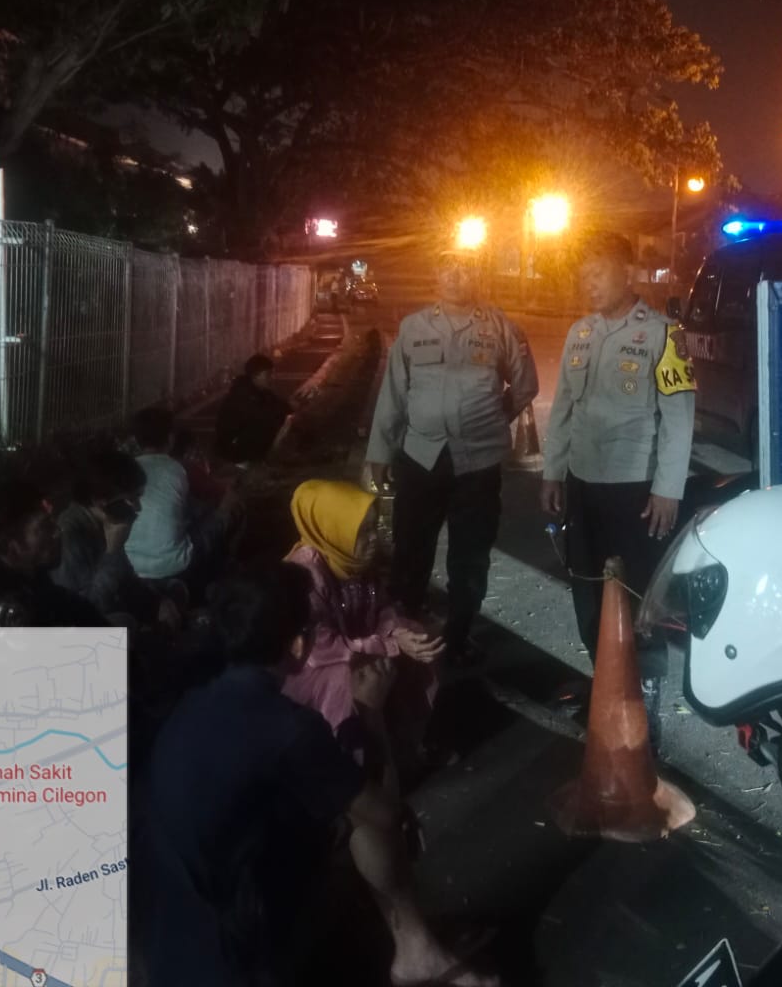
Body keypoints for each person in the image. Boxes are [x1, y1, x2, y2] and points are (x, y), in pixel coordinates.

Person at [144, 566, 496, 987]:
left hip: (160, 926)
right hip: (230, 956)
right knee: (366, 813)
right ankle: (415, 954)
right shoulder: (286, 727)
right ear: (298, 644)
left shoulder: (200, 691)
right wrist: (370, 713)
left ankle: (409, 947)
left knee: (335, 800)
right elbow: (383, 813)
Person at [539, 230, 696, 751]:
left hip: (635, 489)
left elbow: (679, 416)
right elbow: (563, 409)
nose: (588, 283)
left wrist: (668, 489)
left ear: (627, 274)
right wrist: (552, 473)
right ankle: (608, 686)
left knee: (638, 601)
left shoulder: (663, 335)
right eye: (583, 275)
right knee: (588, 593)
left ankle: (645, 702)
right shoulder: (580, 333)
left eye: (598, 272)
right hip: (583, 484)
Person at [365, 246, 539, 664]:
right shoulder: (414, 327)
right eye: (447, 269)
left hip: (478, 462)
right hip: (420, 457)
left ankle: (459, 636)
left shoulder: (501, 327)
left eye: (464, 269)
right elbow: (394, 393)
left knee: (471, 554)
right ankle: (404, 631)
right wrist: (380, 452)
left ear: (477, 275)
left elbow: (525, 384)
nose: (455, 276)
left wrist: (493, 418)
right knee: (411, 547)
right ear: (436, 277)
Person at [281, 480, 443, 779]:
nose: (373, 539)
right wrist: (388, 644)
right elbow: (320, 648)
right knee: (350, 680)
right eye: (363, 531)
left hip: (363, 645)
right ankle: (354, 772)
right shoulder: (303, 575)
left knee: (418, 636)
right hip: (316, 668)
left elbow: (382, 607)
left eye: (373, 528)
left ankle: (405, 746)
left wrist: (397, 632)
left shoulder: (351, 558)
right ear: (334, 529)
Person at [0, 479, 112, 627]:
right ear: (7, 549)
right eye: (45, 527)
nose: (58, 532)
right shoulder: (8, 618)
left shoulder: (39, 589)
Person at [127, 406, 234, 599]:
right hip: (174, 564)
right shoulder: (180, 467)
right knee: (226, 508)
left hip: (132, 564)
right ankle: (220, 578)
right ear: (171, 439)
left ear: (136, 440)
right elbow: (220, 494)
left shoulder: (126, 470)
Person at [52, 448, 162, 623]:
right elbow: (87, 608)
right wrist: (113, 552)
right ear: (100, 500)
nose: (138, 507)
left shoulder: (105, 522)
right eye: (132, 499)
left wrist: (158, 603)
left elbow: (126, 579)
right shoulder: (69, 535)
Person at [214, 354, 295, 466]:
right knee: (271, 424)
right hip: (233, 447)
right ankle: (256, 460)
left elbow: (282, 406)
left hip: (244, 440)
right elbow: (260, 417)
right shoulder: (242, 394)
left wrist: (293, 407)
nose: (271, 378)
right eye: (268, 374)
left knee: (284, 422)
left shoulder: (262, 391)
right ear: (256, 376)